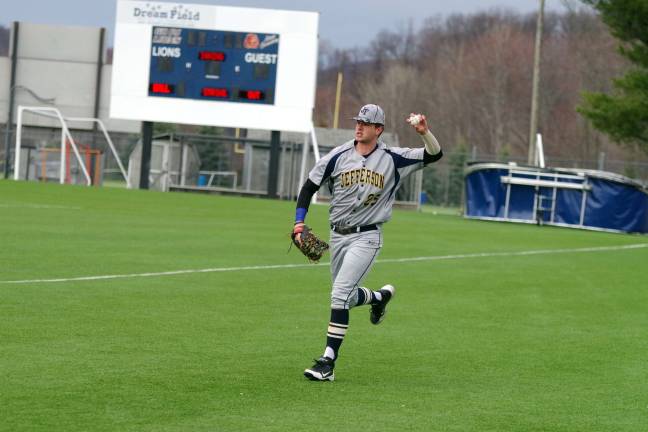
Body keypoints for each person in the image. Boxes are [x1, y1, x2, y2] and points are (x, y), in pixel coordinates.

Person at [292, 104, 443, 381]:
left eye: (365, 123)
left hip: (367, 236)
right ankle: (379, 297)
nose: (359, 126)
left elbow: (434, 154)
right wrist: (299, 222)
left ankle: (327, 362)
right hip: (338, 235)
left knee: (338, 295)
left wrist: (424, 133)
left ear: (378, 129)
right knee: (346, 298)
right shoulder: (338, 156)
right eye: (357, 121)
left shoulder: (393, 158)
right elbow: (309, 186)